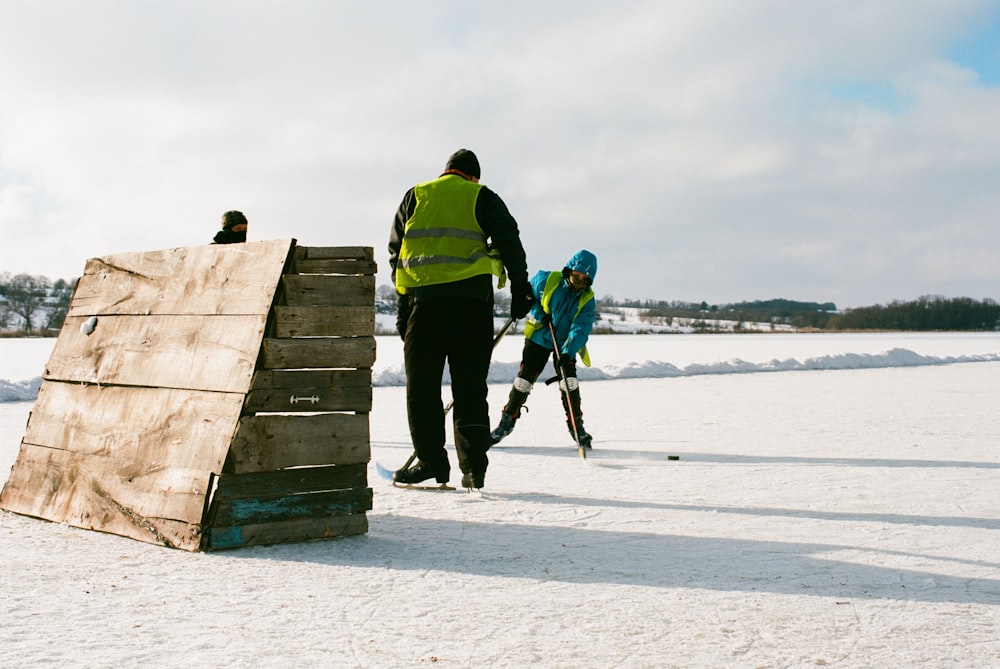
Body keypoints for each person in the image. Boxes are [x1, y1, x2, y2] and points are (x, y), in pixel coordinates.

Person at [388, 149, 534, 490]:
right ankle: (473, 469)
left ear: (446, 172)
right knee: (470, 389)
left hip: (426, 305)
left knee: (422, 388)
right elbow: (509, 241)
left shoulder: (416, 196)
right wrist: (520, 289)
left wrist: (402, 307)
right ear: (472, 176)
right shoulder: (483, 196)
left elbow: (397, 253)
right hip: (473, 305)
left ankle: (431, 462)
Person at [490, 250, 598, 448]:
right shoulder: (546, 279)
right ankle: (506, 423)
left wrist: (567, 353)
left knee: (569, 382)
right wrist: (541, 315)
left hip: (565, 344)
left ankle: (577, 428)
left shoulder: (587, 299)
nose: (578, 282)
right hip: (540, 336)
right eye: (576, 276)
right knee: (524, 380)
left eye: (584, 280)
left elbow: (581, 328)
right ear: (569, 270)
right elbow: (529, 299)